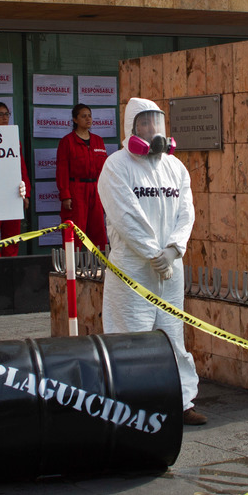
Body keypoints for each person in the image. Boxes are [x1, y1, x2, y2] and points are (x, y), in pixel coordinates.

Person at [97, 98, 204, 425]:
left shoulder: (175, 168)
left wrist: (173, 249)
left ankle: (183, 401)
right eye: (144, 123)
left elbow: (186, 211)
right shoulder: (116, 165)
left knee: (173, 334)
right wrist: (150, 252)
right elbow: (125, 214)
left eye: (156, 122)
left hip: (170, 269)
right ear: (132, 128)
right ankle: (130, 405)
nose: (151, 129)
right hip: (133, 267)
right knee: (131, 335)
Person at [0, 102, 31, 257]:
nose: (4, 118)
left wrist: (26, 194)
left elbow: (21, 166)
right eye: (0, 114)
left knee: (12, 236)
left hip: (12, 193)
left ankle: (11, 268)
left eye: (7, 114)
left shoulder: (13, 138)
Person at [57, 103, 108, 250]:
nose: (88, 119)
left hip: (96, 189)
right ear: (75, 120)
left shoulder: (98, 140)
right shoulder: (67, 142)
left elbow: (104, 169)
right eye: (83, 116)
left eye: (90, 116)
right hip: (76, 190)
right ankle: (75, 265)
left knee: (98, 229)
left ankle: (99, 264)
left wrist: (104, 193)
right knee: (76, 229)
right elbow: (62, 170)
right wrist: (65, 195)